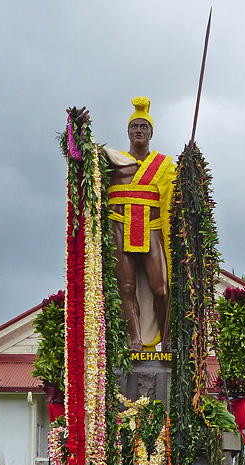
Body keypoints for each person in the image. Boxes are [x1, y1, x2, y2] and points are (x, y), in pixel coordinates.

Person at [102, 97, 176, 352]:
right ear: (128, 131)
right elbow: (81, 157)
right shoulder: (112, 160)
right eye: (135, 127)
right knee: (125, 287)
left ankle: (166, 338)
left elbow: (175, 195)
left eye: (144, 127)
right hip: (119, 227)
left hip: (152, 226)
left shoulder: (165, 166)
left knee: (161, 288)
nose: (139, 130)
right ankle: (134, 339)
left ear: (151, 133)